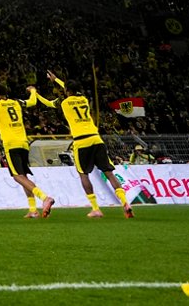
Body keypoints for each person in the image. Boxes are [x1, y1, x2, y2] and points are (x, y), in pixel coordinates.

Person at [44, 71, 134, 219]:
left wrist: (51, 84)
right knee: (109, 173)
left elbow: (49, 103)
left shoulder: (64, 103)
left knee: (83, 174)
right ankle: (125, 202)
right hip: (96, 138)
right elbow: (71, 89)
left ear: (67, 91)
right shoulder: (84, 99)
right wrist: (57, 80)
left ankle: (95, 208)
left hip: (81, 141)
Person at [0, 82, 55, 219]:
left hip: (11, 144)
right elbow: (32, 101)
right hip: (23, 143)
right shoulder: (16, 102)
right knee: (23, 177)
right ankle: (33, 210)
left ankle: (44, 197)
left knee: (17, 176)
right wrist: (33, 90)